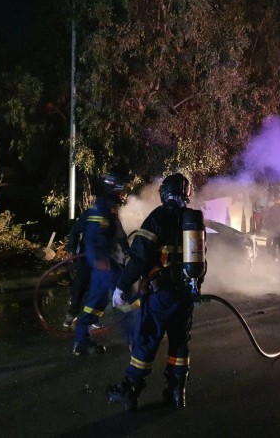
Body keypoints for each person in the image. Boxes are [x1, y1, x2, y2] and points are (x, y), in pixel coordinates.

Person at [107, 173, 205, 411]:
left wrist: (121, 286)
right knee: (180, 341)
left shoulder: (159, 216)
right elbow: (201, 260)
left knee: (146, 339)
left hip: (161, 294)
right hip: (185, 293)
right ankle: (177, 392)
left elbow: (140, 257)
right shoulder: (192, 220)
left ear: (165, 193)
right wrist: (196, 287)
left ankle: (130, 391)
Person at [71, 172, 130, 356]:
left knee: (99, 300)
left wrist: (126, 250)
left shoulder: (108, 205)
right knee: (126, 294)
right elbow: (92, 235)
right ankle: (136, 336)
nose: (123, 192)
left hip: (106, 261)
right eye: (121, 188)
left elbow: (117, 231)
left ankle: (81, 341)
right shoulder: (103, 205)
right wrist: (98, 259)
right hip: (103, 263)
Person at [264, 195, 280, 260]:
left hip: (276, 227)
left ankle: (274, 256)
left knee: (275, 242)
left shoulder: (274, 206)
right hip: (279, 228)